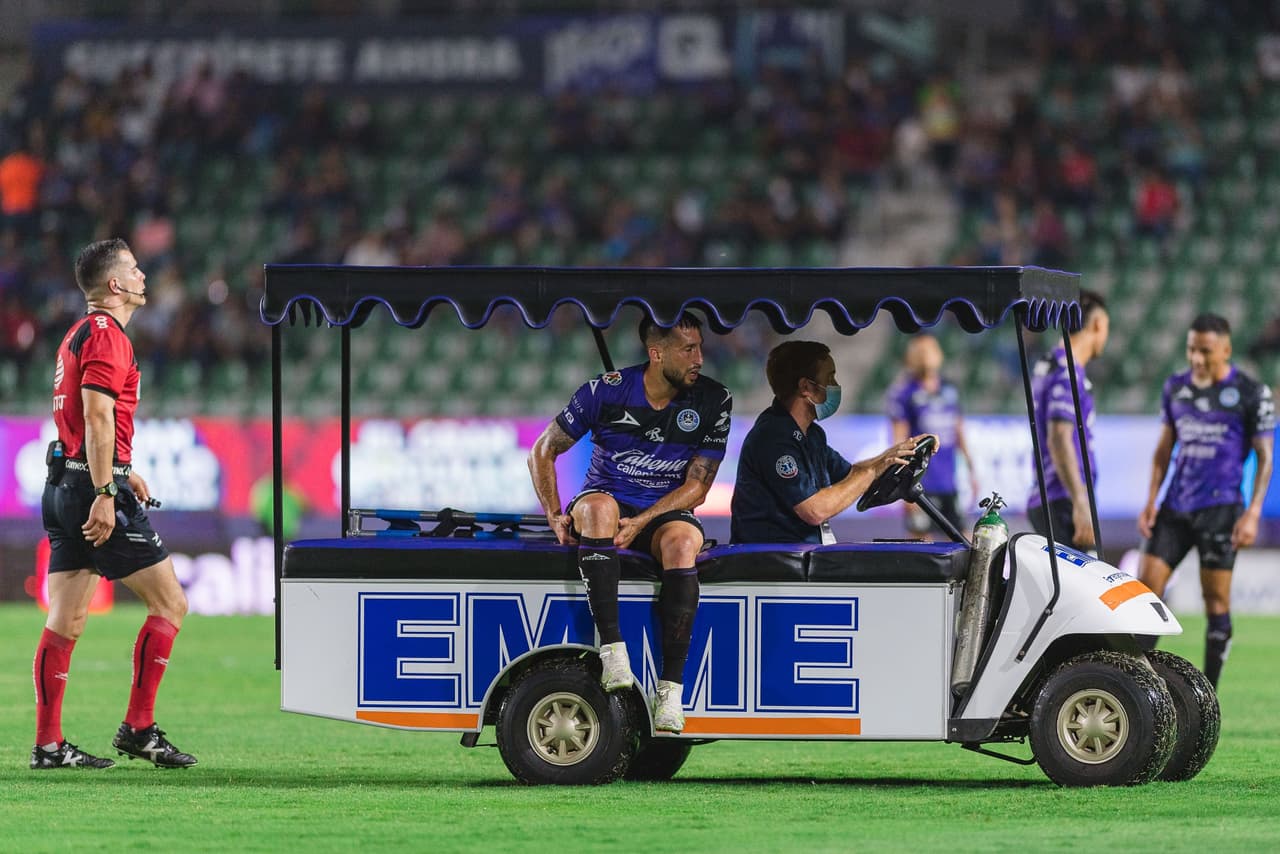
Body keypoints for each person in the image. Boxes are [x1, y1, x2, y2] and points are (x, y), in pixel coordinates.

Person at [31, 238, 196, 770]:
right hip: (88, 491)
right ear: (115, 285)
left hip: (61, 484)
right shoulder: (107, 335)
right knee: (170, 603)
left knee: (66, 618)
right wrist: (107, 491)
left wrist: (122, 471)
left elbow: (82, 425)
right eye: (134, 269)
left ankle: (49, 746)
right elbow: (98, 417)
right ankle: (139, 729)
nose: (143, 275)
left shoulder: (78, 334)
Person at [527, 312, 731, 733]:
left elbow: (698, 486)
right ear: (657, 354)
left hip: (662, 509)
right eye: (688, 349)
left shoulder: (714, 399)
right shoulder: (605, 392)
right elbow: (542, 450)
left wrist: (641, 522)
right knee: (598, 510)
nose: (699, 358)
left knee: (682, 543)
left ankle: (670, 691)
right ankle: (613, 650)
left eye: (700, 347)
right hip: (608, 498)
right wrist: (552, 512)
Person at [1137, 313, 1274, 688]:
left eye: (1206, 351)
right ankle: (1142, 685)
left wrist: (1253, 512)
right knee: (1145, 593)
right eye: (1191, 349)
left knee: (1215, 602)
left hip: (1221, 511)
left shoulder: (1250, 393)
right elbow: (1164, 449)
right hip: (1174, 507)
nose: (1197, 358)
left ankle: (1208, 695)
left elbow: (1265, 456)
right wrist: (1151, 500)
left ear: (1226, 349)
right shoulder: (1176, 387)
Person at [731, 340, 927, 544]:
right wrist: (873, 471)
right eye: (830, 377)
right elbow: (815, 510)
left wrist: (891, 456)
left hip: (800, 556)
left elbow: (850, 474)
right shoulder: (774, 438)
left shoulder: (812, 434)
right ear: (806, 387)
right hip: (771, 561)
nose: (835, 386)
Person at [1026, 290, 1109, 551]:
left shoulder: (1048, 364)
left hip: (1048, 496)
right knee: (1084, 589)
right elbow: (1060, 438)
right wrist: (1080, 501)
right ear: (1097, 324)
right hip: (1063, 498)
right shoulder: (1067, 372)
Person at [886, 334, 979, 537]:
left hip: (949, 482)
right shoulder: (903, 393)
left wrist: (972, 470)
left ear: (939, 355)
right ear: (910, 358)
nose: (925, 357)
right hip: (919, 483)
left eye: (929, 351)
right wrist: (902, 482)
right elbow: (898, 441)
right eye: (919, 352)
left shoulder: (950, 390)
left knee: (962, 539)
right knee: (921, 542)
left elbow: (959, 432)